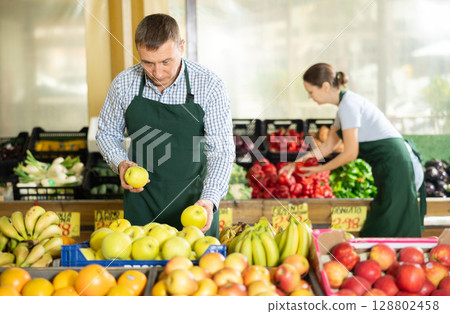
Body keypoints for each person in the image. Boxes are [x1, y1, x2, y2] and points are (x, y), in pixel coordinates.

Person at [96, 14, 234, 237]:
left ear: (181, 46)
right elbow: (107, 133)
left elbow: (222, 152)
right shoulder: (124, 83)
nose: (157, 73)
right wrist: (120, 163)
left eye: (166, 62)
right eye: (148, 63)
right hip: (142, 203)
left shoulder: (210, 85)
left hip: (195, 204)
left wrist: (209, 199)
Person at [281, 63, 426, 237]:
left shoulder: (349, 106)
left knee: (390, 226)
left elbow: (351, 153)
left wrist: (319, 169)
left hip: (396, 165)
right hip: (388, 167)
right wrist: (296, 164)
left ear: (325, 87)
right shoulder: (344, 106)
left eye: (311, 92)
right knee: (384, 224)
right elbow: (328, 146)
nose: (309, 97)